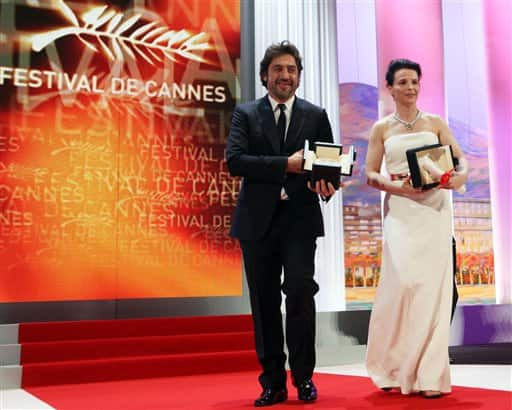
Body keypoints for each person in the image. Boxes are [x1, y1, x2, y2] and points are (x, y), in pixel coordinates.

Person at [226, 41, 338, 407]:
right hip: (257, 223)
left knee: (302, 295)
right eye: (278, 69)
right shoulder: (246, 114)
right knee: (264, 302)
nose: (285, 75)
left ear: (299, 77)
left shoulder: (316, 114)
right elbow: (236, 161)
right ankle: (272, 382)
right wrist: (284, 165)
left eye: (291, 70)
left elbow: (329, 167)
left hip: (300, 222)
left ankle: (304, 378)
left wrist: (329, 185)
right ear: (264, 76)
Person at [364, 59, 468, 399]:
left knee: (432, 292)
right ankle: (394, 367)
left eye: (415, 82)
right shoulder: (381, 128)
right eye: (403, 82)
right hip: (400, 213)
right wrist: (400, 188)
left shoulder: (436, 123)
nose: (410, 87)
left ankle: (430, 375)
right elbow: (371, 174)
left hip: (435, 212)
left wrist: (459, 176)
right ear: (390, 88)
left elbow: (459, 159)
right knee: (402, 287)